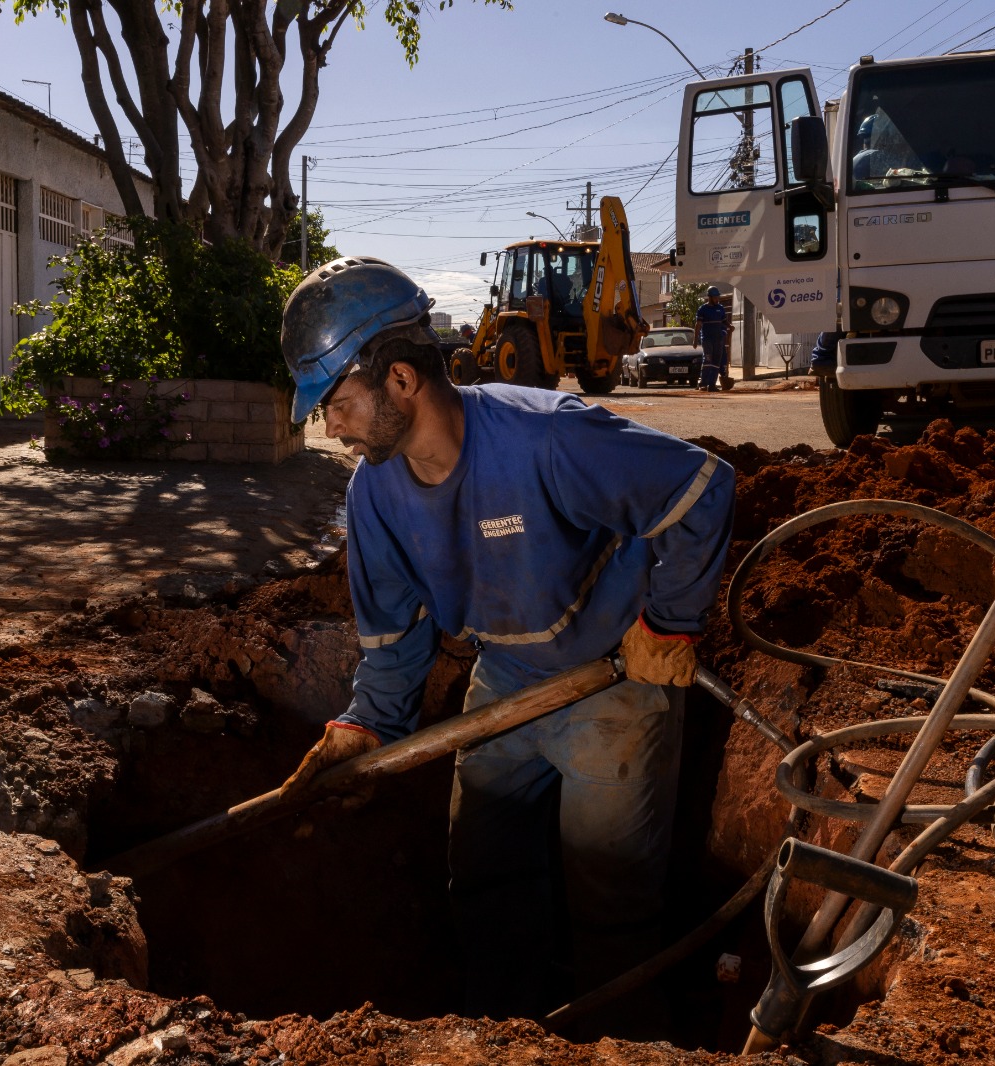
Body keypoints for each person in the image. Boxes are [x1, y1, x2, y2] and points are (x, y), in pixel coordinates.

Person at [277, 257, 735, 1030]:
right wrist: (365, 723)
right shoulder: (375, 494)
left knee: (610, 899)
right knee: (485, 884)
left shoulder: (547, 437)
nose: (332, 427)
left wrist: (670, 623)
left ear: (398, 380)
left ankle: (618, 1036)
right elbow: (395, 639)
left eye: (337, 403)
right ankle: (498, 1035)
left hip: (613, 681)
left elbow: (701, 487)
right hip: (505, 679)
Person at [695, 286, 731, 391]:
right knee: (708, 360)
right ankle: (703, 384)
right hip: (707, 339)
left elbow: (724, 321)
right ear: (709, 297)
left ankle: (712, 385)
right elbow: (698, 325)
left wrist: (730, 326)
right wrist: (695, 339)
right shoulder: (703, 309)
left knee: (716, 362)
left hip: (718, 339)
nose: (717, 299)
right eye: (715, 297)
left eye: (717, 297)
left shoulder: (720, 308)